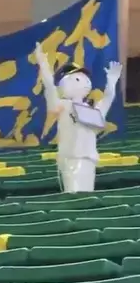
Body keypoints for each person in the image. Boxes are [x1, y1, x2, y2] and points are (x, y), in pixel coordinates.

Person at [34, 42, 122, 192]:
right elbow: (50, 88)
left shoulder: (91, 110)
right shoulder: (63, 105)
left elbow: (106, 101)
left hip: (89, 157)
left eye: (86, 80)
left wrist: (111, 83)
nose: (84, 83)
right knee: (74, 192)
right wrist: (44, 66)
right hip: (70, 156)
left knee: (87, 192)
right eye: (76, 79)